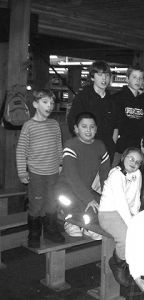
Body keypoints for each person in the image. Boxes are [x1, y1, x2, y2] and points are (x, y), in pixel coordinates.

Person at [16, 89, 64, 247]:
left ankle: (50, 230)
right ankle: (34, 233)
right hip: (36, 173)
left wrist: (60, 164)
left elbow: (58, 146)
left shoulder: (54, 124)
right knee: (36, 204)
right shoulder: (29, 126)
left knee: (52, 202)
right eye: (45, 102)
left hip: (53, 173)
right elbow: (21, 150)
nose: (49, 106)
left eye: (51, 103)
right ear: (35, 104)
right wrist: (22, 171)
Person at [56, 112, 110, 239]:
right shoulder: (71, 145)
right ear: (76, 129)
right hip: (66, 189)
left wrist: (106, 196)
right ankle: (70, 221)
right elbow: (72, 177)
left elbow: (105, 175)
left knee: (101, 207)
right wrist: (88, 199)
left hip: (85, 189)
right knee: (74, 205)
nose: (88, 130)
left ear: (96, 129)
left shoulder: (100, 146)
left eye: (92, 127)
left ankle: (88, 226)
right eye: (84, 126)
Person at [98, 147, 144, 287]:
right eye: (131, 158)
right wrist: (131, 224)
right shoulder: (116, 175)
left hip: (127, 212)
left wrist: (135, 216)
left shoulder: (138, 174)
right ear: (123, 157)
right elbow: (120, 203)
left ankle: (135, 264)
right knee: (126, 237)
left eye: (137, 162)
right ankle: (118, 262)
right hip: (109, 212)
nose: (133, 163)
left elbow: (136, 197)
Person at [67, 60, 116, 161]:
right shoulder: (83, 97)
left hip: (106, 151)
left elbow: (115, 127)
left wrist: (112, 145)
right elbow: (72, 122)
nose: (104, 78)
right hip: (86, 150)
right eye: (100, 74)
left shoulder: (112, 100)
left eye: (107, 75)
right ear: (93, 77)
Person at [112, 66, 144, 166]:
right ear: (127, 79)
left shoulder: (143, 101)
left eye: (140, 78)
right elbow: (113, 123)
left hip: (136, 149)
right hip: (119, 149)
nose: (138, 80)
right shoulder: (117, 98)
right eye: (134, 77)